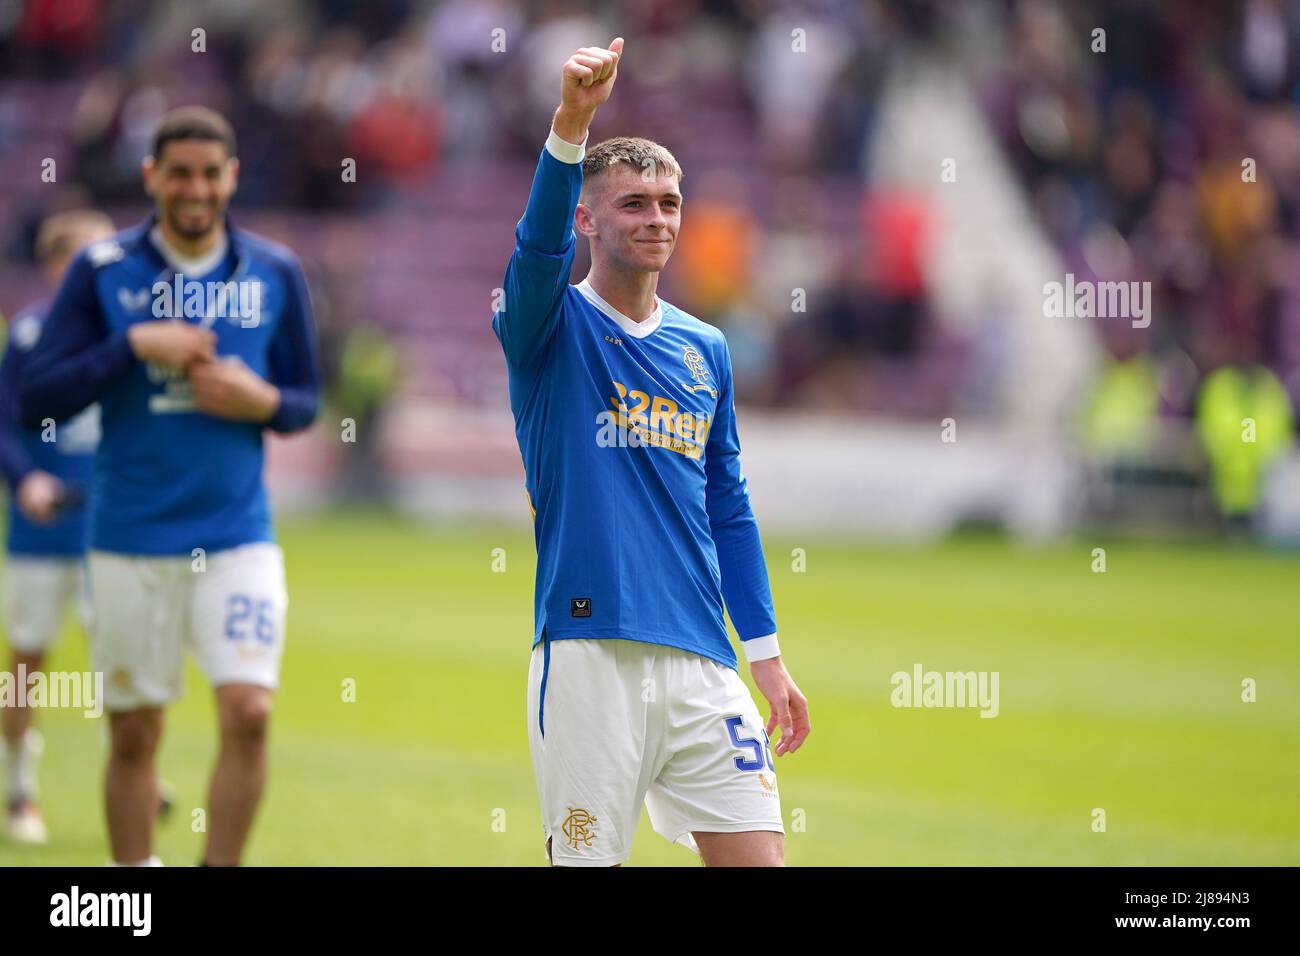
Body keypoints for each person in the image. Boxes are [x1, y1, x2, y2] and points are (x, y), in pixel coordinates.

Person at [492, 38, 811, 867]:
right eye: (634, 203)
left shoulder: (706, 348)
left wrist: (767, 657)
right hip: (591, 650)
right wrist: (571, 125)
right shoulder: (547, 328)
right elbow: (533, 255)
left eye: (670, 202)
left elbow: (728, 505)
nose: (658, 218)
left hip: (704, 657)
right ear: (588, 219)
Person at [19, 106, 321, 865]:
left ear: (233, 179)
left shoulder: (275, 271)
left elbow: (305, 399)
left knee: (250, 712)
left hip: (235, 534)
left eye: (210, 173)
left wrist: (265, 403)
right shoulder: (100, 272)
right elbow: (38, 397)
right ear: (152, 176)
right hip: (129, 534)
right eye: (179, 172)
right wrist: (131, 346)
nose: (195, 189)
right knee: (133, 730)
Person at [0, 209, 113, 843]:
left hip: (113, 532)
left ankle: (134, 772)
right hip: (43, 530)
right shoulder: (29, 335)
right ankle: (19, 790)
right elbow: (3, 423)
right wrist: (25, 480)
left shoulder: (128, 334)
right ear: (55, 266)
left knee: (122, 663)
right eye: (86, 258)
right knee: (26, 663)